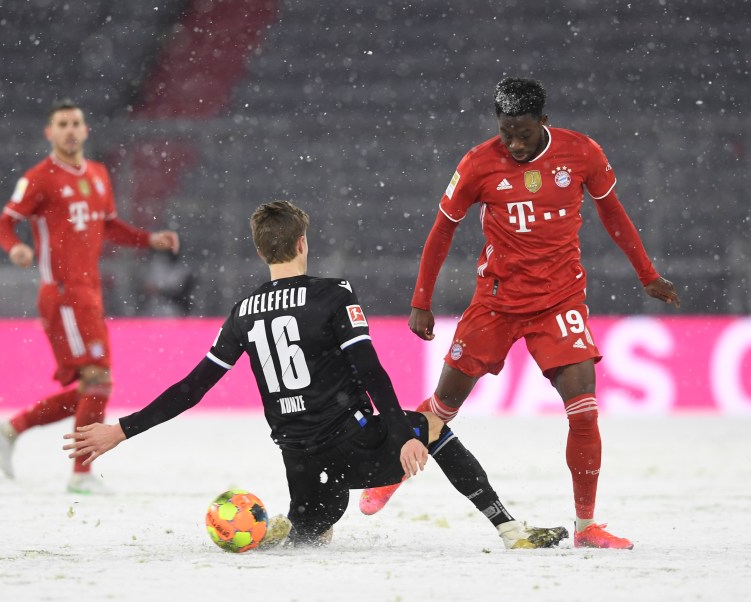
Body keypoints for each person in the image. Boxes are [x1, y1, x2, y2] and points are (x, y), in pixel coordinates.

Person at [63, 200, 568, 549]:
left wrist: (121, 430)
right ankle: (510, 530)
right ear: (302, 243)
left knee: (313, 529)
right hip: (359, 450)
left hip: (303, 461)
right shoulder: (333, 294)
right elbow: (371, 370)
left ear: (263, 251)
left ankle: (280, 525)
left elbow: (192, 389)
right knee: (433, 427)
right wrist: (402, 434)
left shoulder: (242, 312)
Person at [360, 78, 681, 550]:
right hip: (496, 302)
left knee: (585, 412)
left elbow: (613, 213)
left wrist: (647, 274)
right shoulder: (477, 163)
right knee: (442, 408)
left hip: (559, 302)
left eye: (523, 133)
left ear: (543, 122)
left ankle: (586, 526)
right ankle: (393, 470)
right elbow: (441, 233)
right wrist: (421, 300)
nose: (513, 143)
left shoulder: (582, 153)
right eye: (506, 131)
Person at [0, 99, 180, 494]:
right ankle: (79, 475)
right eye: (62, 124)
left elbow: (109, 226)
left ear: (86, 130)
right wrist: (15, 249)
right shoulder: (39, 178)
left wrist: (147, 239)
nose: (71, 130)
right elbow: (4, 224)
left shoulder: (97, 174)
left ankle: (10, 430)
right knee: (98, 378)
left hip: (89, 293)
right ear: (50, 132)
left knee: (97, 385)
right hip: (61, 293)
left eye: (76, 122)